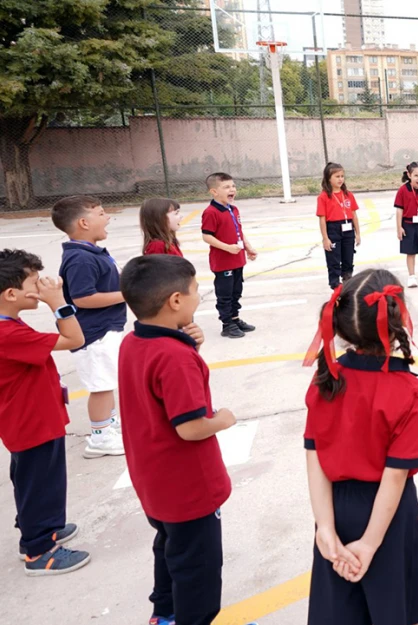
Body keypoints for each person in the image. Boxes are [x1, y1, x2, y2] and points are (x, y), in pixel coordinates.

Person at [303, 269, 418, 625]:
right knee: (390, 608)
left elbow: (315, 457)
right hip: (387, 515)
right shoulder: (410, 392)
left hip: (335, 506)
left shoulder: (326, 378)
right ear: (397, 322)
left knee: (341, 613)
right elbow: (395, 477)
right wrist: (369, 544)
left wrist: (325, 527)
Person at [118, 254, 238, 625]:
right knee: (198, 571)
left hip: (155, 481)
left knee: (170, 549)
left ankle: (164, 614)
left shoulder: (135, 342)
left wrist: (189, 346)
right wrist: (223, 420)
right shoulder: (173, 357)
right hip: (189, 487)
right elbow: (189, 427)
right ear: (174, 301)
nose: (198, 297)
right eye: (195, 291)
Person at [0, 249, 90, 576]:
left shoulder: (9, 324)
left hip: (30, 418)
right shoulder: (8, 333)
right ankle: (40, 550)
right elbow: (74, 338)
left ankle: (40, 527)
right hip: (32, 422)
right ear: (11, 294)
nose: (41, 287)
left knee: (35, 479)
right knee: (42, 483)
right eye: (35, 283)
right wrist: (57, 302)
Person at [52, 195, 126, 458]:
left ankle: (110, 424)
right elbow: (83, 298)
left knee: (107, 381)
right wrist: (126, 294)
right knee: (101, 386)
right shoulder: (81, 258)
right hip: (94, 334)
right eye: (102, 213)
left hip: (104, 329)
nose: (107, 218)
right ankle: (100, 437)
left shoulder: (90, 252)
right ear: (84, 222)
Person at [201, 172, 258, 338]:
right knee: (224, 294)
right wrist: (226, 248)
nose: (232, 189)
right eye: (226, 187)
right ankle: (227, 325)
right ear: (214, 192)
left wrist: (248, 247)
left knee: (236, 291)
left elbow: (239, 230)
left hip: (237, 259)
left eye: (233, 186)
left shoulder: (233, 209)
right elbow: (207, 236)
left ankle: (235, 318)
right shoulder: (211, 212)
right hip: (223, 262)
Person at [317, 162, 361, 289]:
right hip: (333, 229)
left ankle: (347, 280)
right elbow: (322, 219)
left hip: (348, 229)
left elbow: (354, 215)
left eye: (342, 176)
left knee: (348, 258)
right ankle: (335, 284)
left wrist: (357, 234)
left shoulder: (348, 195)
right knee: (334, 260)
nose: (340, 179)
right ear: (328, 178)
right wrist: (325, 238)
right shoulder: (324, 197)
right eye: (337, 176)